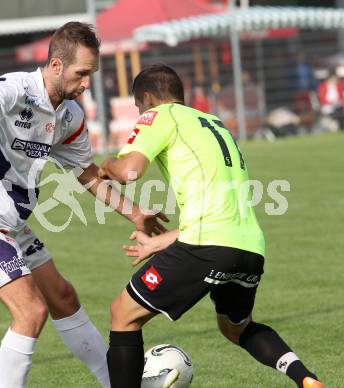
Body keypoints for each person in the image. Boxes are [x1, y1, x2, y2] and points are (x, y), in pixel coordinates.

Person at [0, 22, 167, 388]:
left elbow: (88, 175)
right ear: (56, 66)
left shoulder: (70, 116)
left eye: (91, 74)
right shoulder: (14, 90)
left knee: (63, 296)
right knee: (31, 311)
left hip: (9, 222)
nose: (87, 83)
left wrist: (135, 213)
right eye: (82, 73)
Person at [98, 64, 324, 388]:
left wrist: (107, 166)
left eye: (138, 107)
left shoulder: (160, 115)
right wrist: (157, 244)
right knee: (237, 328)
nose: (139, 114)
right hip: (248, 248)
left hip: (207, 247)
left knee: (123, 313)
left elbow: (129, 172)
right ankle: (305, 379)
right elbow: (219, 217)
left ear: (147, 98)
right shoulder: (213, 123)